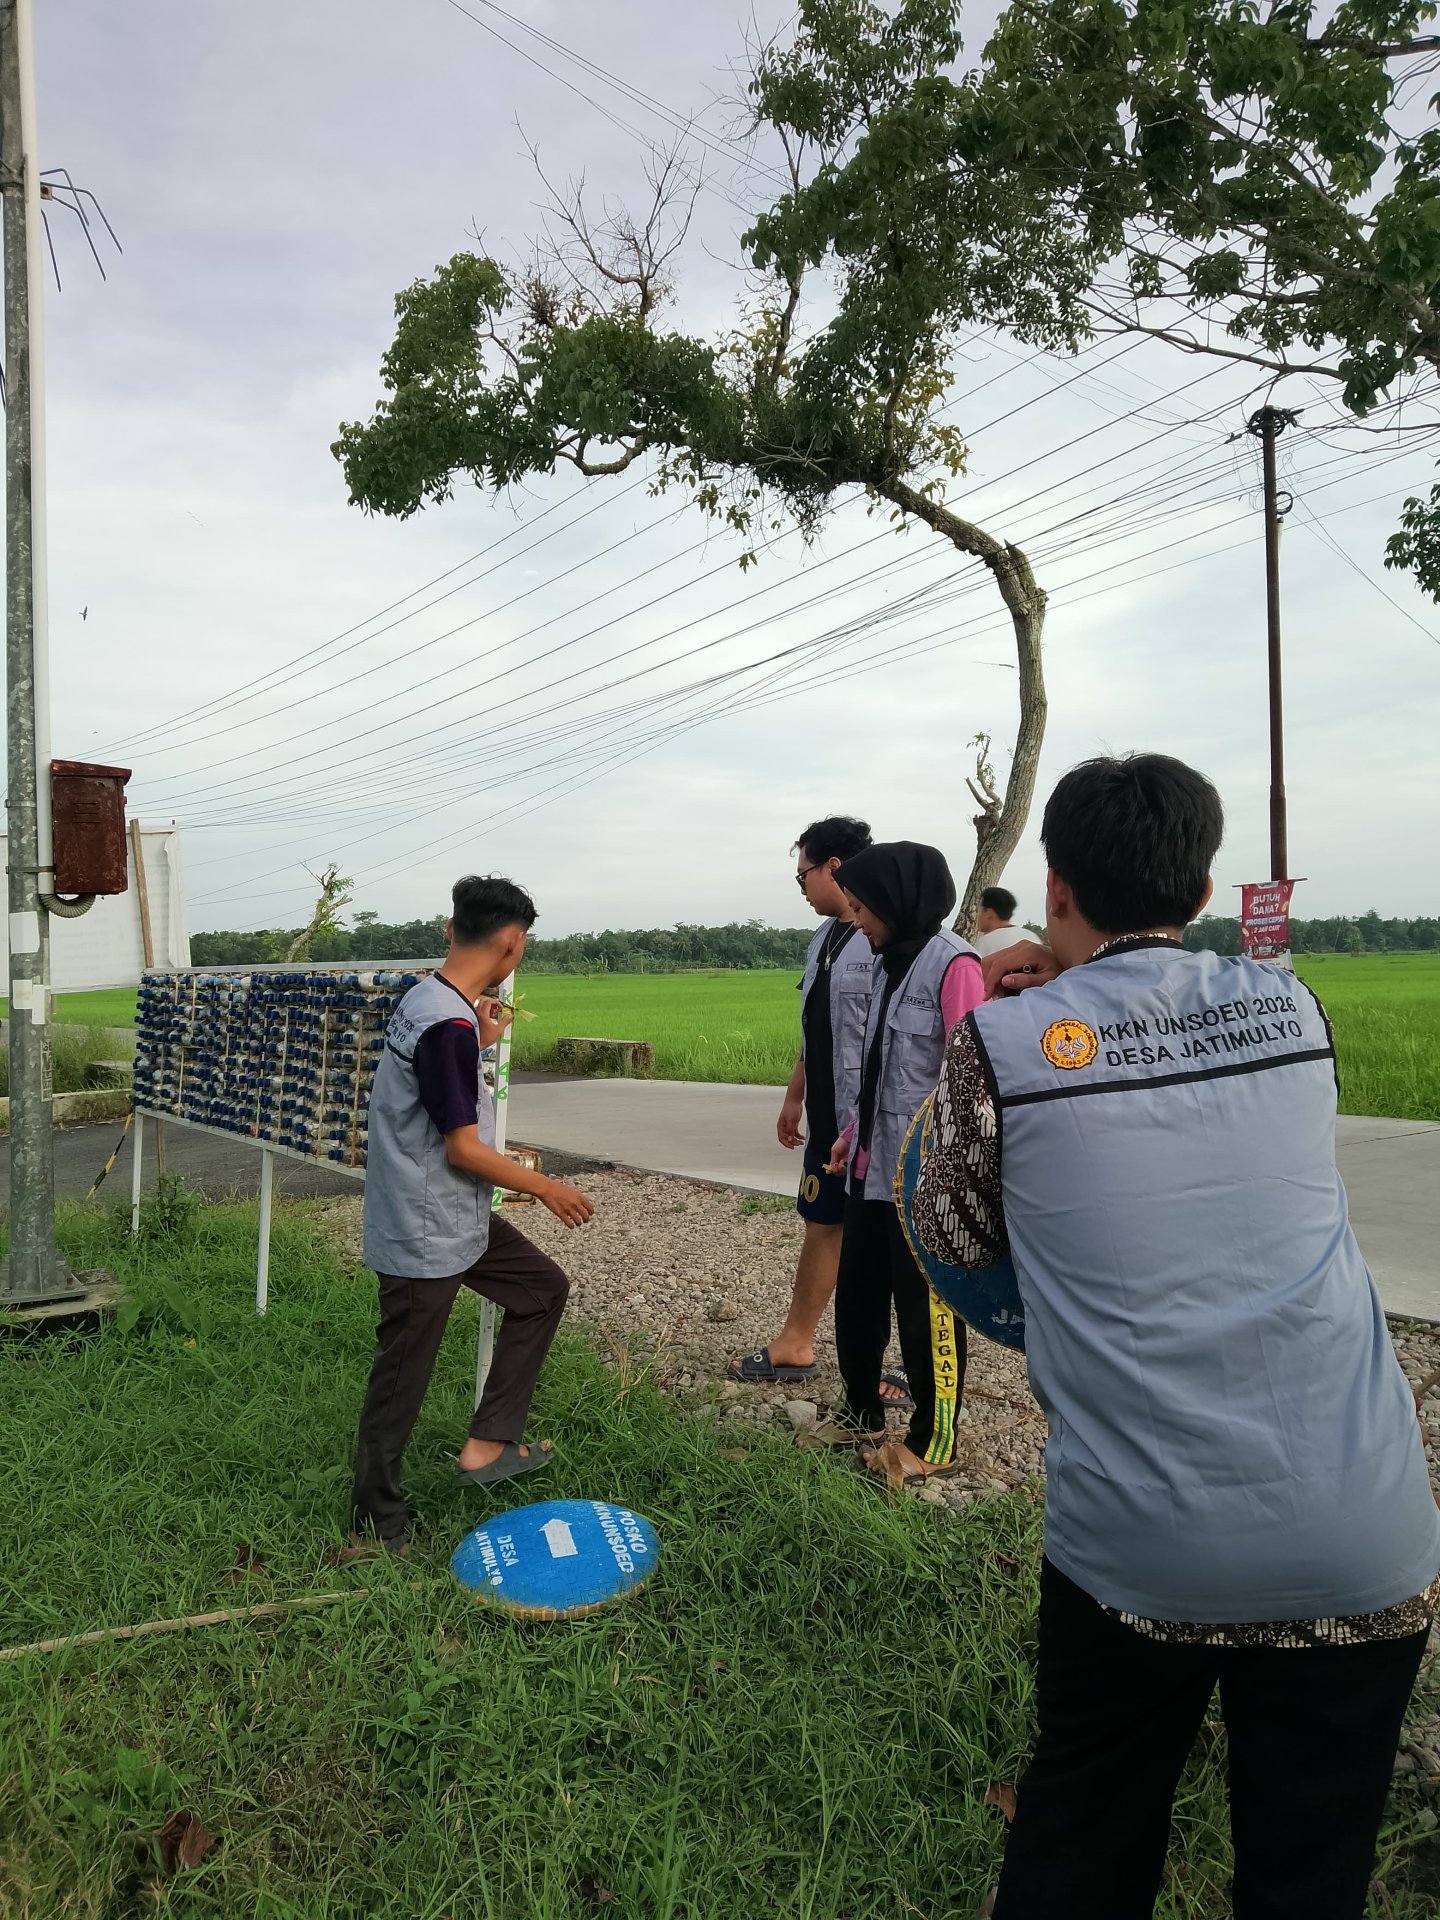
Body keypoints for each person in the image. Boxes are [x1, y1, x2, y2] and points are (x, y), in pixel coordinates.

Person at [906, 755, 1440, 1920]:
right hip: (1367, 1534)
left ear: (1053, 887)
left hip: (1138, 1554)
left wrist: (1006, 1007)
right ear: (1200, 892)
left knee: (1085, 1837)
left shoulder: (1001, 1043)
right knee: (1312, 1870)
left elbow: (943, 1227)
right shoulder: (1296, 1007)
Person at [350, 874, 595, 1555]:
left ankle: (488, 1444)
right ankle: (377, 1523)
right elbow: (461, 1147)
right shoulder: (447, 1022)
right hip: (425, 1221)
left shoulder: (432, 1002)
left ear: (451, 929)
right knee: (401, 1373)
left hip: (452, 1216)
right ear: (512, 946)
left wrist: (478, 1048)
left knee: (541, 1289)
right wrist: (543, 1188)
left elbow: (428, 1092)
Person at [823, 841, 984, 1481]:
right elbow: (876, 1065)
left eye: (863, 907)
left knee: (925, 1315)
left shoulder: (956, 967)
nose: (856, 920)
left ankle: (934, 1442)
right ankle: (862, 1410)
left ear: (897, 902)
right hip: (870, 1167)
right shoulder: (887, 961)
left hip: (927, 1179)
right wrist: (850, 1135)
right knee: (858, 1299)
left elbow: (968, 1082)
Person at [728, 815, 879, 1387]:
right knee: (823, 1220)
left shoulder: (881, 937)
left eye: (803, 876)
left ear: (833, 867)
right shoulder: (824, 939)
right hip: (826, 1115)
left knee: (878, 1235)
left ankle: (889, 1357)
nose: (802, 887)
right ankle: (798, 1341)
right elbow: (818, 1026)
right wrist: (794, 1095)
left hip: (870, 1119)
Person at [969, 885, 1019, 959]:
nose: (977, 915)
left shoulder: (986, 943)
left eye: (978, 910)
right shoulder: (1031, 937)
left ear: (989, 913)